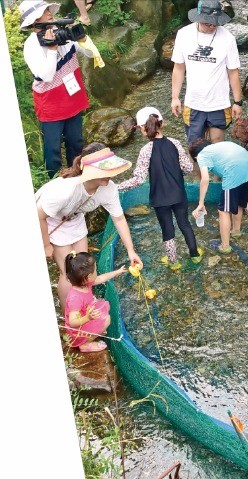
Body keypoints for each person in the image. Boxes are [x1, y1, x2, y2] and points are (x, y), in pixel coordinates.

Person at [35, 142, 143, 312]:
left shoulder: (109, 189)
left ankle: (84, 305)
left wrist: (131, 250)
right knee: (68, 273)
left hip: (75, 220)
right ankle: (69, 315)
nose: (109, 175)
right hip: (53, 222)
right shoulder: (65, 190)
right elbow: (39, 215)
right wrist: (46, 245)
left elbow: (119, 219)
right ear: (90, 171)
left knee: (84, 267)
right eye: (103, 171)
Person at [117, 107, 203, 271]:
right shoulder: (175, 143)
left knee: (167, 229)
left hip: (160, 198)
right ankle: (195, 255)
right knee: (185, 224)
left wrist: (118, 187)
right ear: (161, 123)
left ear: (142, 128)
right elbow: (187, 168)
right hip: (178, 194)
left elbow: (139, 179)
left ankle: (173, 262)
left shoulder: (145, 151)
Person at [19, 1, 96, 178]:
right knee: (53, 149)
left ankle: (76, 177)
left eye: (48, 9)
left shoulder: (62, 33)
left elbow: (91, 54)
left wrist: (83, 39)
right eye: (44, 11)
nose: (49, 13)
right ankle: (54, 184)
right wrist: (52, 49)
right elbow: (46, 75)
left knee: (76, 143)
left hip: (72, 98)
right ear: (34, 20)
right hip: (51, 103)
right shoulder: (31, 46)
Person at [170, 0, 243, 144]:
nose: (211, 27)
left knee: (217, 146)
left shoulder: (228, 38)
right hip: (193, 104)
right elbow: (179, 68)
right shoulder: (184, 35)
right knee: (195, 149)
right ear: (198, 18)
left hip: (219, 104)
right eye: (207, 23)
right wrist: (175, 97)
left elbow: (233, 72)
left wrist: (238, 102)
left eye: (215, 23)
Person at [188, 138, 248, 254]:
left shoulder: (202, 155)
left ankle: (225, 246)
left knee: (223, 210)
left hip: (234, 171)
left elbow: (205, 179)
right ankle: (236, 232)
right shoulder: (219, 147)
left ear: (195, 156)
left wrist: (201, 203)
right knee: (240, 203)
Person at [64, 250, 126, 353]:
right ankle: (85, 344)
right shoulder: (75, 298)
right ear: (88, 277)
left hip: (85, 316)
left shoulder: (84, 283)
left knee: (105, 308)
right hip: (77, 332)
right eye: (95, 270)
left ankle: (94, 331)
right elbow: (72, 322)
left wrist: (116, 272)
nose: (97, 272)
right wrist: (88, 317)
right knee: (107, 319)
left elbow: (102, 278)